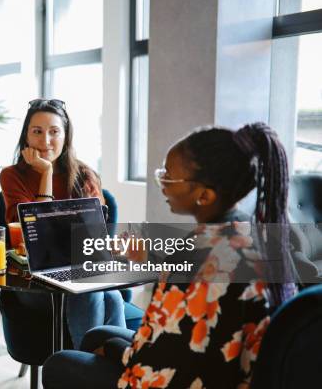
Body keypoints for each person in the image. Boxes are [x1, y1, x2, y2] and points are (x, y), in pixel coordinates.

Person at [42, 122, 297, 388]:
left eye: (169, 176)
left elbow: (163, 361)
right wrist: (148, 261)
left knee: (59, 364)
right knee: (97, 336)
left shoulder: (204, 256)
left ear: (204, 195)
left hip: (194, 379)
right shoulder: (252, 233)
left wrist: (119, 352)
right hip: (234, 366)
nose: (162, 183)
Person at [0, 98, 127, 350]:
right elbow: (33, 238)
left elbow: (94, 240)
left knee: (110, 296)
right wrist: (46, 173)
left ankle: (106, 372)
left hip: (81, 271)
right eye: (37, 131)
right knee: (96, 292)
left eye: (54, 132)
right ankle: (86, 372)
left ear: (66, 136)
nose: (45, 141)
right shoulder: (12, 176)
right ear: (26, 136)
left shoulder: (85, 175)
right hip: (34, 284)